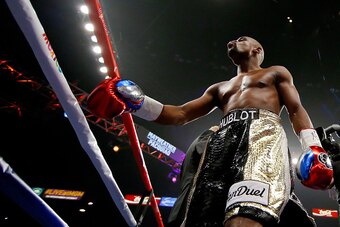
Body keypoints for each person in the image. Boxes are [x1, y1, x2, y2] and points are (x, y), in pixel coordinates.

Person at [86, 36, 334, 227]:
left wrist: (313, 146)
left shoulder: (275, 72)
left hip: (262, 135)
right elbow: (180, 114)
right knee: (204, 215)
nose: (231, 42)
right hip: (221, 141)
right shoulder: (219, 88)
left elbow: (295, 108)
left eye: (240, 39)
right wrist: (137, 103)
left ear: (257, 50)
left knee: (247, 212)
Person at [167, 125, 219, 227]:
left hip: (185, 208)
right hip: (188, 208)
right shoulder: (206, 137)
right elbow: (209, 159)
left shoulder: (200, 140)